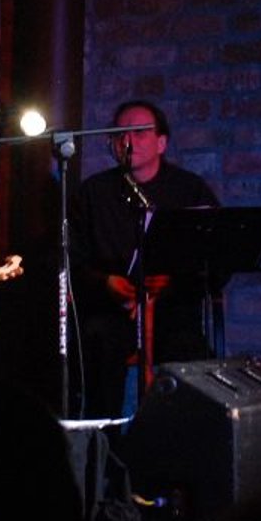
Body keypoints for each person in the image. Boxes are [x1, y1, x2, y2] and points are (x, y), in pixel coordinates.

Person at [68, 99, 220, 418]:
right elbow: (72, 260)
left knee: (190, 353)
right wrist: (106, 283)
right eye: (120, 134)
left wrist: (172, 284)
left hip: (171, 312)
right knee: (98, 344)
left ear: (161, 143)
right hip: (112, 313)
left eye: (139, 133)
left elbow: (214, 259)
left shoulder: (189, 190)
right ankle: (107, 440)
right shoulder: (93, 192)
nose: (128, 141)